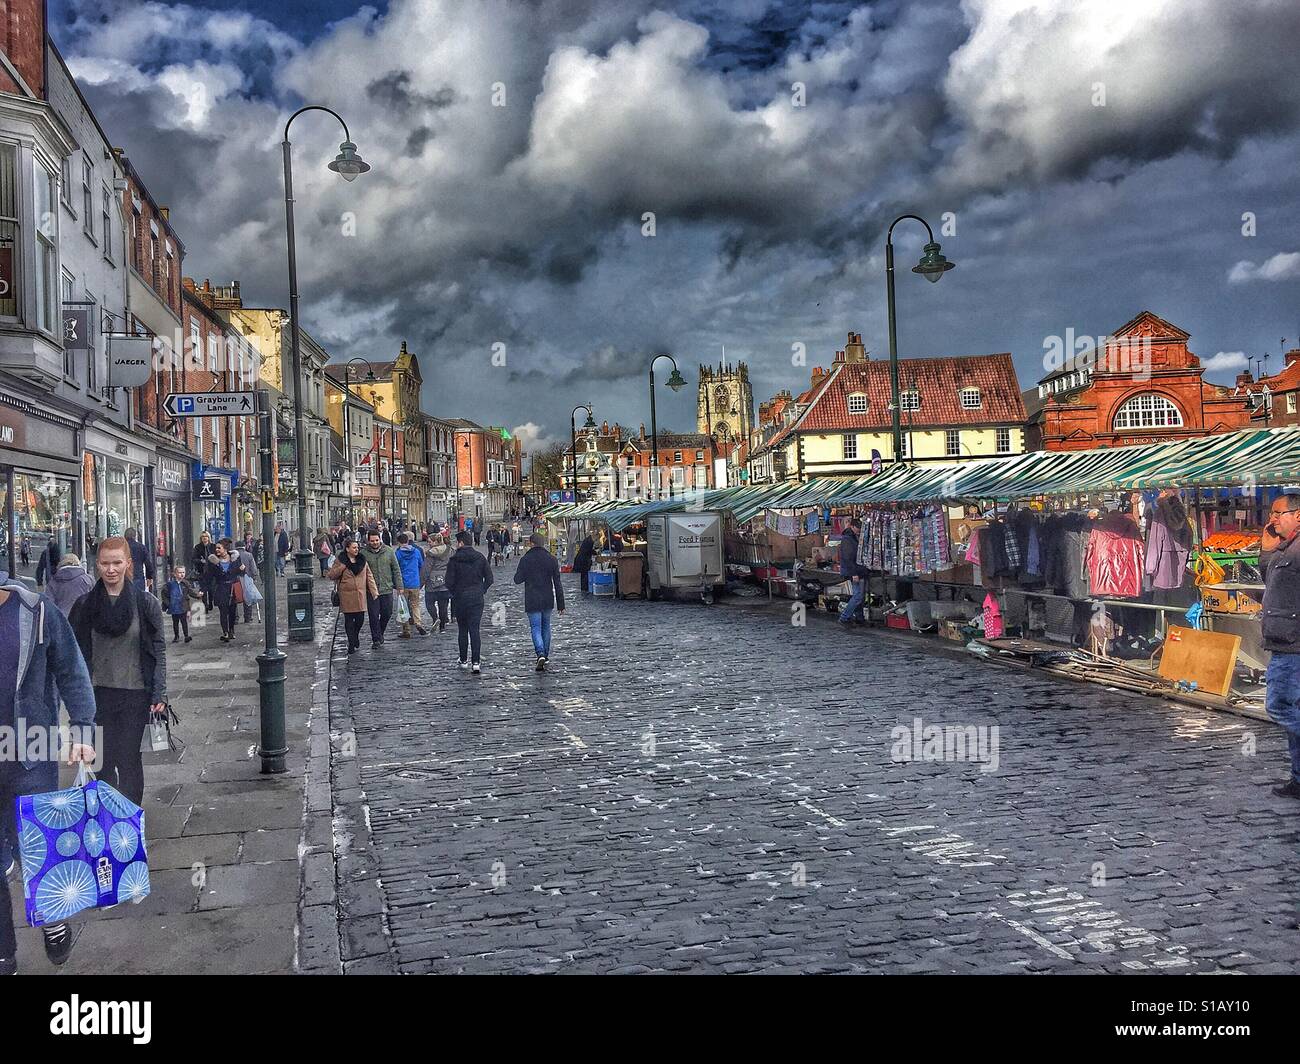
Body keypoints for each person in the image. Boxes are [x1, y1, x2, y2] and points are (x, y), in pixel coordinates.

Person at [0, 574, 98, 975]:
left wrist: (83, 731)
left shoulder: (35, 610)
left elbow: (72, 670)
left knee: (35, 851)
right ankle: (5, 956)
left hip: (30, 751)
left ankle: (53, 919)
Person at [68, 536, 166, 808]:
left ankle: (129, 818)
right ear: (96, 565)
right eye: (105, 563)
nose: (111, 569)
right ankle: (108, 815)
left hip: (135, 694)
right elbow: (72, 656)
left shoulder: (145, 603)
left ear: (128, 564)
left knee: (129, 759)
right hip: (97, 695)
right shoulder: (84, 605)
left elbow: (158, 650)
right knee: (101, 761)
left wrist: (160, 691)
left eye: (117, 563)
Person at [1261, 493, 1300, 799]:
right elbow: (1269, 578)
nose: (1272, 519)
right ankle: (1298, 779)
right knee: (1292, 709)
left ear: (1297, 515)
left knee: (1279, 706)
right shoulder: (1285, 549)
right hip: (1284, 642)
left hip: (1293, 644)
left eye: (1278, 513)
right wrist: (1266, 546)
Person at [514, 532, 565, 671]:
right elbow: (557, 583)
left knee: (535, 627)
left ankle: (540, 653)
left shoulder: (526, 559)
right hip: (547, 598)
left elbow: (517, 579)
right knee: (546, 627)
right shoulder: (551, 559)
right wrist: (561, 604)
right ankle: (546, 656)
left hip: (532, 598)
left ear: (531, 543)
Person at [445, 530, 493, 673]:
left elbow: (449, 582)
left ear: (461, 543)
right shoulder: (480, 557)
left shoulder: (454, 560)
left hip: (460, 598)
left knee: (463, 629)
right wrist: (481, 590)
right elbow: (490, 579)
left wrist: (455, 592)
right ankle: (476, 662)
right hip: (476, 598)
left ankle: (463, 659)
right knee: (475, 629)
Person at [328, 539, 379, 654]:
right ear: (347, 549)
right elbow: (331, 575)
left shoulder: (362, 561)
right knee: (349, 620)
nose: (356, 550)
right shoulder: (340, 560)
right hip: (346, 595)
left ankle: (355, 635)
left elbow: (369, 577)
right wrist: (342, 567)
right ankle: (351, 642)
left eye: (357, 548)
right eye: (354, 547)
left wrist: (374, 592)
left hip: (360, 595)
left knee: (360, 619)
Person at [360, 528, 402, 647]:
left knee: (387, 613)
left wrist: (399, 585)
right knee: (373, 615)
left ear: (380, 539)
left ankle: (380, 633)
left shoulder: (388, 551)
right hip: (371, 590)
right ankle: (376, 639)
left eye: (376, 540)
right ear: (368, 541)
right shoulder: (363, 553)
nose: (375, 542)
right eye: (372, 541)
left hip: (386, 588)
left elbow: (396, 569)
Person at [207, 539, 247, 642]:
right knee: (223, 611)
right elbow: (209, 576)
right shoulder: (213, 560)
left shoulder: (235, 558)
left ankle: (231, 630)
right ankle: (225, 632)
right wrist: (204, 589)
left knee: (232, 611)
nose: (217, 550)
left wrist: (242, 569)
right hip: (221, 588)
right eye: (216, 548)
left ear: (225, 549)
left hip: (233, 587)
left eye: (219, 548)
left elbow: (240, 572)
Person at [394, 533, 429, 638]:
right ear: (408, 541)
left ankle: (406, 630)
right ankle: (418, 623)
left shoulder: (398, 553)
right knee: (415, 605)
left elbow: (396, 568)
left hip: (403, 583)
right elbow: (421, 565)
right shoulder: (416, 551)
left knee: (403, 607)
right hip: (415, 582)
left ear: (399, 542)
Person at [837, 517, 867, 625]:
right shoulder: (847, 539)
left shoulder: (855, 537)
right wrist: (854, 573)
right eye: (857, 528)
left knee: (860, 596)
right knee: (858, 596)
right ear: (852, 527)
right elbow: (847, 557)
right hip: (853, 572)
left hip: (859, 570)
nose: (859, 530)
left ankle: (859, 617)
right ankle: (844, 617)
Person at [422, 533, 453, 633]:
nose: (429, 544)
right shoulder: (450, 551)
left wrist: (421, 583)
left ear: (435, 542)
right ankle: (442, 626)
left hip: (432, 582)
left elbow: (426, 569)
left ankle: (435, 618)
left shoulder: (431, 554)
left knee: (429, 602)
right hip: (445, 580)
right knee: (443, 604)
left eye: (430, 542)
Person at [163, 564, 202, 643]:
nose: (182, 574)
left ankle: (186, 635)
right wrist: (167, 603)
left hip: (183, 605)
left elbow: (190, 591)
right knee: (175, 622)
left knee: (184, 621)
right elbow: (164, 594)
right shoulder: (170, 584)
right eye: (180, 572)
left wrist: (197, 595)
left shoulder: (185, 583)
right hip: (174, 606)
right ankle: (176, 636)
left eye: (183, 572)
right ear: (174, 574)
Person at [236, 540, 260, 625]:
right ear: (244, 547)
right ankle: (248, 617)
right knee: (248, 598)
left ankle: (235, 618)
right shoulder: (249, 555)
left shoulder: (232, 556)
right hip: (247, 578)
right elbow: (253, 568)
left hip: (236, 579)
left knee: (235, 598)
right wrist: (254, 576)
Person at [192, 531, 214, 612]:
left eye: (206, 536)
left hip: (212, 572)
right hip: (202, 571)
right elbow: (194, 559)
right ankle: (205, 605)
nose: (204, 538)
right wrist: (201, 561)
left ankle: (211, 602)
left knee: (211, 589)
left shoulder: (213, 546)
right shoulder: (197, 547)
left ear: (209, 538)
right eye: (203, 537)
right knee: (203, 589)